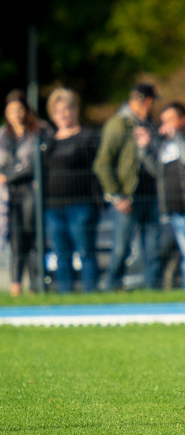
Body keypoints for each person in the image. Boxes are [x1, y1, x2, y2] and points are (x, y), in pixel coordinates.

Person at [93, 83, 162, 291]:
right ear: (147, 101)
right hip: (128, 198)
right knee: (121, 248)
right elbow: (102, 163)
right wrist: (116, 195)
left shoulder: (148, 124)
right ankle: (112, 289)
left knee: (153, 249)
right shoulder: (118, 124)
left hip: (151, 196)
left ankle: (153, 293)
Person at [43, 88, 100, 293]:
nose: (63, 115)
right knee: (61, 254)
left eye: (66, 110)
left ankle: (91, 294)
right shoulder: (48, 141)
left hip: (81, 205)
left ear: (75, 110)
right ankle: (65, 296)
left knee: (85, 251)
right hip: (53, 207)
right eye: (58, 111)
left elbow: (98, 169)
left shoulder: (88, 137)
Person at [0, 90, 46, 296]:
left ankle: (35, 285)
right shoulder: (3, 135)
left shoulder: (37, 133)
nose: (16, 114)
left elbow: (33, 165)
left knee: (29, 237)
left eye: (19, 109)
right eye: (11, 111)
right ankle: (16, 284)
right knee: (15, 239)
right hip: (8, 195)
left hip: (31, 192)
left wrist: (8, 176)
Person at [156, 102, 185, 289]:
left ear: (183, 120)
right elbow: (157, 171)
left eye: (170, 120)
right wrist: (143, 148)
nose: (166, 125)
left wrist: (177, 137)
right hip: (175, 213)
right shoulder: (165, 145)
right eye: (164, 121)